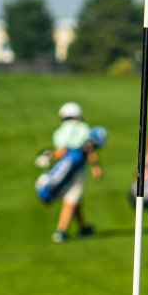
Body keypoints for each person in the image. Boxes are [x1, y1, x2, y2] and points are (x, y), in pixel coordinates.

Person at [50, 102, 103, 243]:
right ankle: (61, 231)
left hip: (63, 169)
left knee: (73, 198)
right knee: (71, 199)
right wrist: (96, 167)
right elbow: (90, 148)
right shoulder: (83, 128)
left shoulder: (60, 131)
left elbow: (60, 152)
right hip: (78, 169)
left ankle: (83, 227)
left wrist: (50, 156)